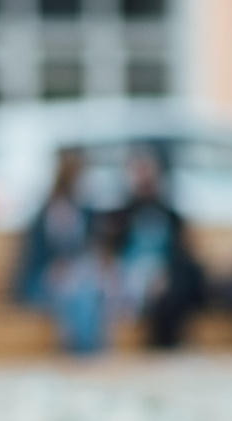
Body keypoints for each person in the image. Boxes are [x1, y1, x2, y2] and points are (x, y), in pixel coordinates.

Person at [13, 149, 108, 355]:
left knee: (85, 291)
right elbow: (33, 259)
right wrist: (53, 270)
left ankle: (82, 350)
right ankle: (85, 352)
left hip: (75, 279)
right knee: (75, 292)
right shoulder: (46, 213)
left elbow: (90, 252)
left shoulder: (85, 211)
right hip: (41, 280)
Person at [114, 149, 208, 349]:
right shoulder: (121, 215)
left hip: (165, 277)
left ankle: (165, 346)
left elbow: (181, 253)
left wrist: (164, 274)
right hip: (131, 276)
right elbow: (114, 253)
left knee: (175, 288)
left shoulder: (170, 215)